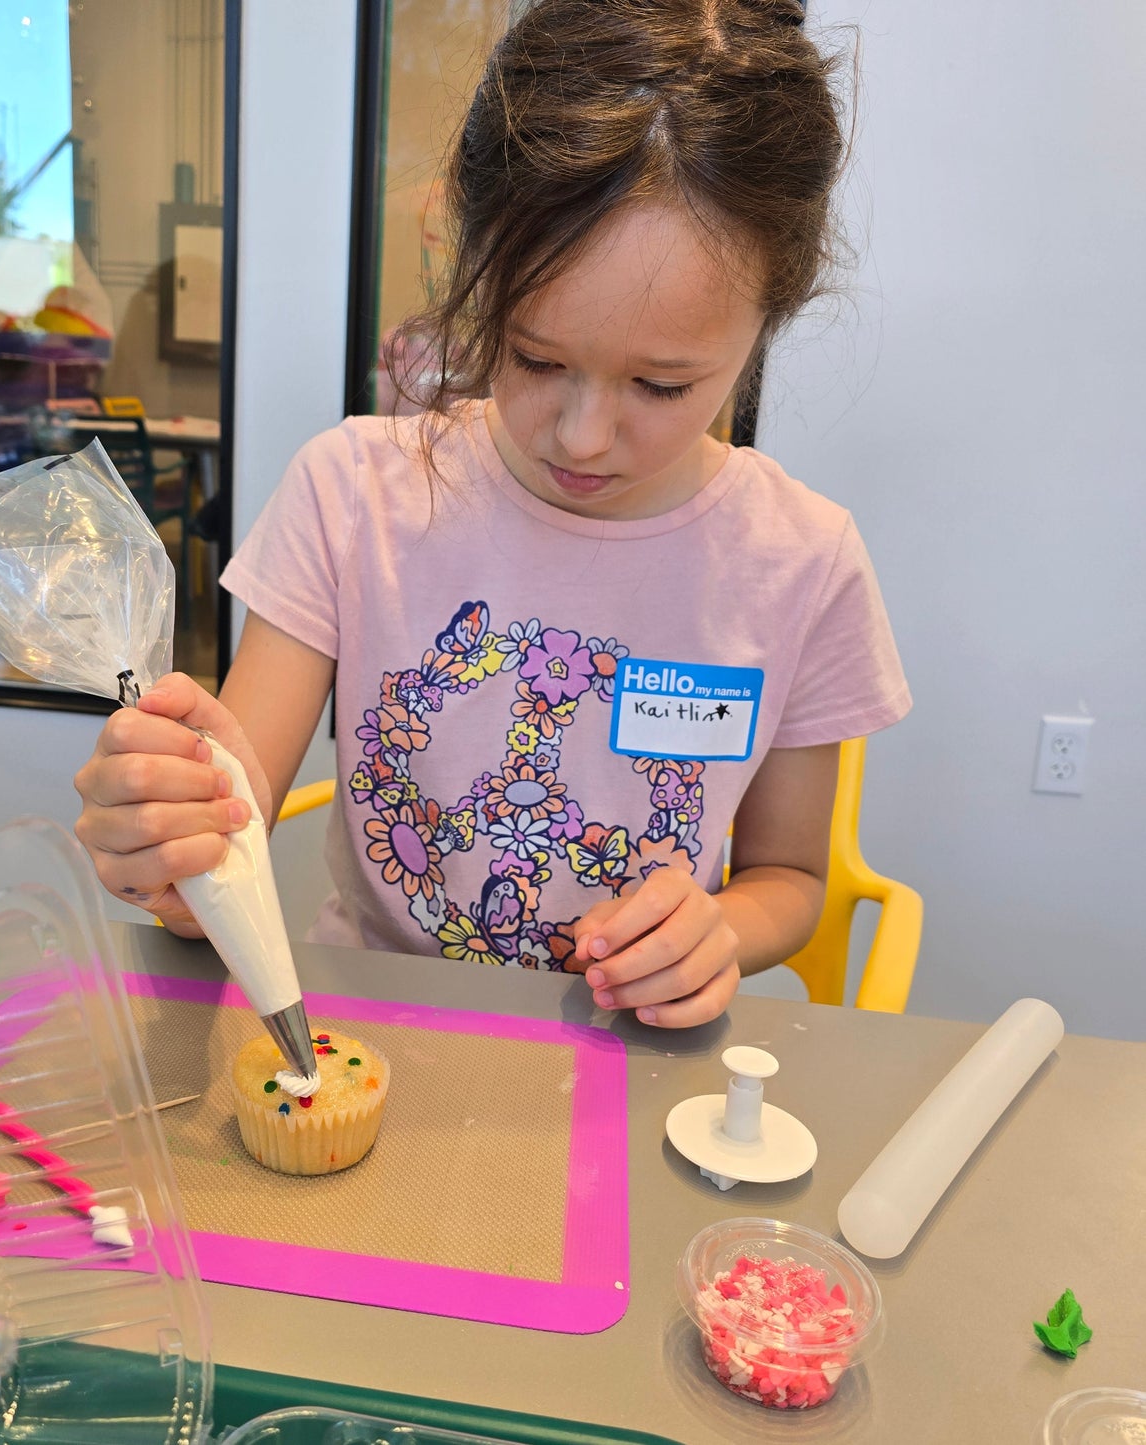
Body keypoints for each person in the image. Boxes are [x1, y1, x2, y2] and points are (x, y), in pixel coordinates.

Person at [73, 0, 910, 1028]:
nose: (583, 436)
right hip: (375, 1030)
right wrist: (170, 842)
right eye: (534, 358)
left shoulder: (799, 561)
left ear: (767, 322)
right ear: (470, 266)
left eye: (659, 385)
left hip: (629, 1059)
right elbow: (216, 847)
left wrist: (722, 930)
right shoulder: (353, 498)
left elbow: (789, 876)